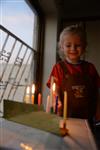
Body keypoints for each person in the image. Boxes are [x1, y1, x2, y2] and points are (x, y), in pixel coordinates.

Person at [47, 24, 100, 127]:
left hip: (88, 117)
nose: (73, 48)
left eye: (78, 45)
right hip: (66, 116)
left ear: (84, 47)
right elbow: (54, 89)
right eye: (68, 45)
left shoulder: (90, 68)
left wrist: (98, 110)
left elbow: (97, 90)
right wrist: (56, 101)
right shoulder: (59, 67)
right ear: (62, 47)